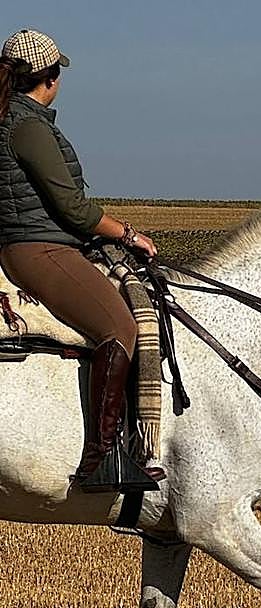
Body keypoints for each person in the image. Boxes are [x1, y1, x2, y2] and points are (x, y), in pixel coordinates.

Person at [0, 30, 161, 490]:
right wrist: (129, 234)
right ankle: (102, 458)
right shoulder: (28, 127)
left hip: (27, 242)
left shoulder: (11, 118)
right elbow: (73, 207)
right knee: (121, 328)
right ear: (50, 77)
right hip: (40, 247)